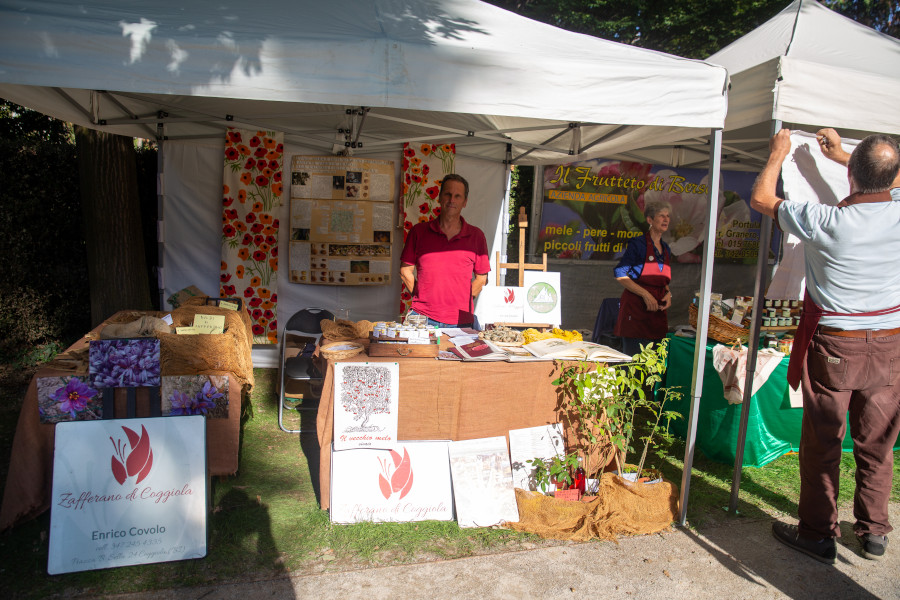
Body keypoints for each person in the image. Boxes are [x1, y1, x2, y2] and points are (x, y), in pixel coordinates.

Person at [751, 128, 900, 564]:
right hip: (889, 344)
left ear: (852, 176)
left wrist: (778, 153)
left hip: (837, 345)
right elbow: (887, 175)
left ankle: (818, 534)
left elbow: (761, 198)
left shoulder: (825, 220)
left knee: (823, 442)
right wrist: (842, 156)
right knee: (878, 442)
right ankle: (874, 533)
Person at [399, 173, 489, 328]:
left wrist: (462, 301)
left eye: (457, 196)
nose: (452, 200)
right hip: (422, 318)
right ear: (439, 198)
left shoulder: (476, 236)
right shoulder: (418, 232)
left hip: (461, 320)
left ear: (465, 202)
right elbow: (405, 271)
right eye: (448, 194)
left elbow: (481, 279)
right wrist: (423, 298)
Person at [612, 201, 673, 356]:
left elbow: (662, 278)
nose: (666, 219)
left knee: (655, 362)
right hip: (636, 310)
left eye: (667, 216)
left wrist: (668, 293)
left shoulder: (666, 248)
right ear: (649, 220)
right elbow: (620, 273)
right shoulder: (638, 244)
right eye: (661, 216)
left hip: (657, 313)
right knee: (634, 361)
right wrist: (645, 294)